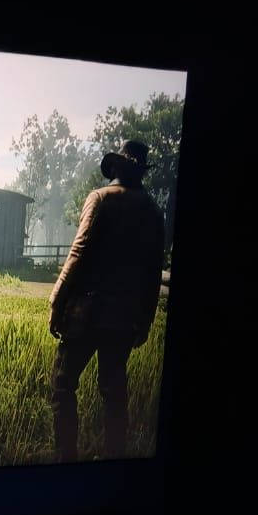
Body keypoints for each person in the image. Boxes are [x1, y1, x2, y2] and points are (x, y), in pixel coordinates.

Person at [48, 139, 165, 461]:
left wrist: (56, 300)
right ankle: (114, 460)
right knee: (114, 392)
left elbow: (78, 252)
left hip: (86, 312)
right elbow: (153, 271)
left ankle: (65, 459)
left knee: (63, 384)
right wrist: (146, 319)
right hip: (124, 317)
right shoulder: (153, 212)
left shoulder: (100, 198)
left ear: (116, 166)